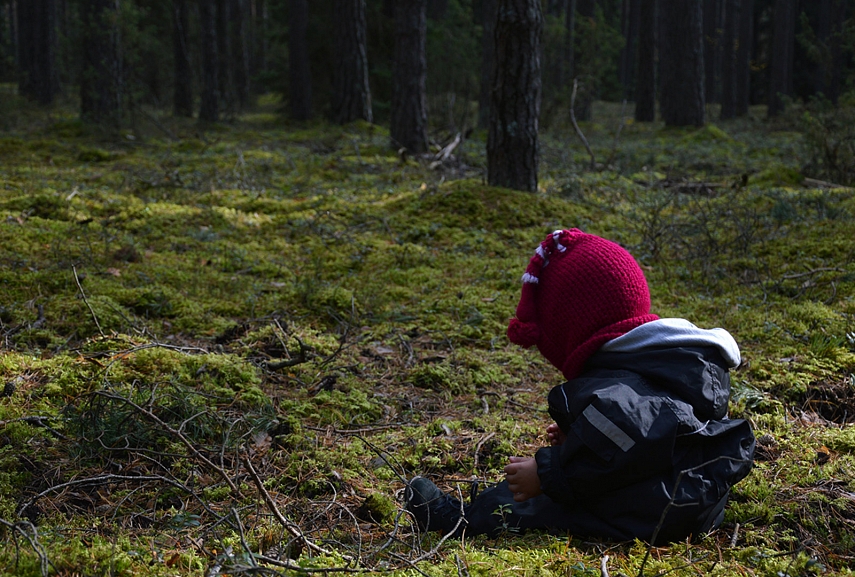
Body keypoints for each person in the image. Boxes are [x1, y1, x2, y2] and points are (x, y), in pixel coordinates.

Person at [406, 229, 755, 544]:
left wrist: (549, 472)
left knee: (543, 503)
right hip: (687, 496)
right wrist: (581, 437)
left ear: (574, 330)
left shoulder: (622, 385)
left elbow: (630, 429)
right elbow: (646, 438)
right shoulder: (662, 357)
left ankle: (458, 522)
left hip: (657, 511)